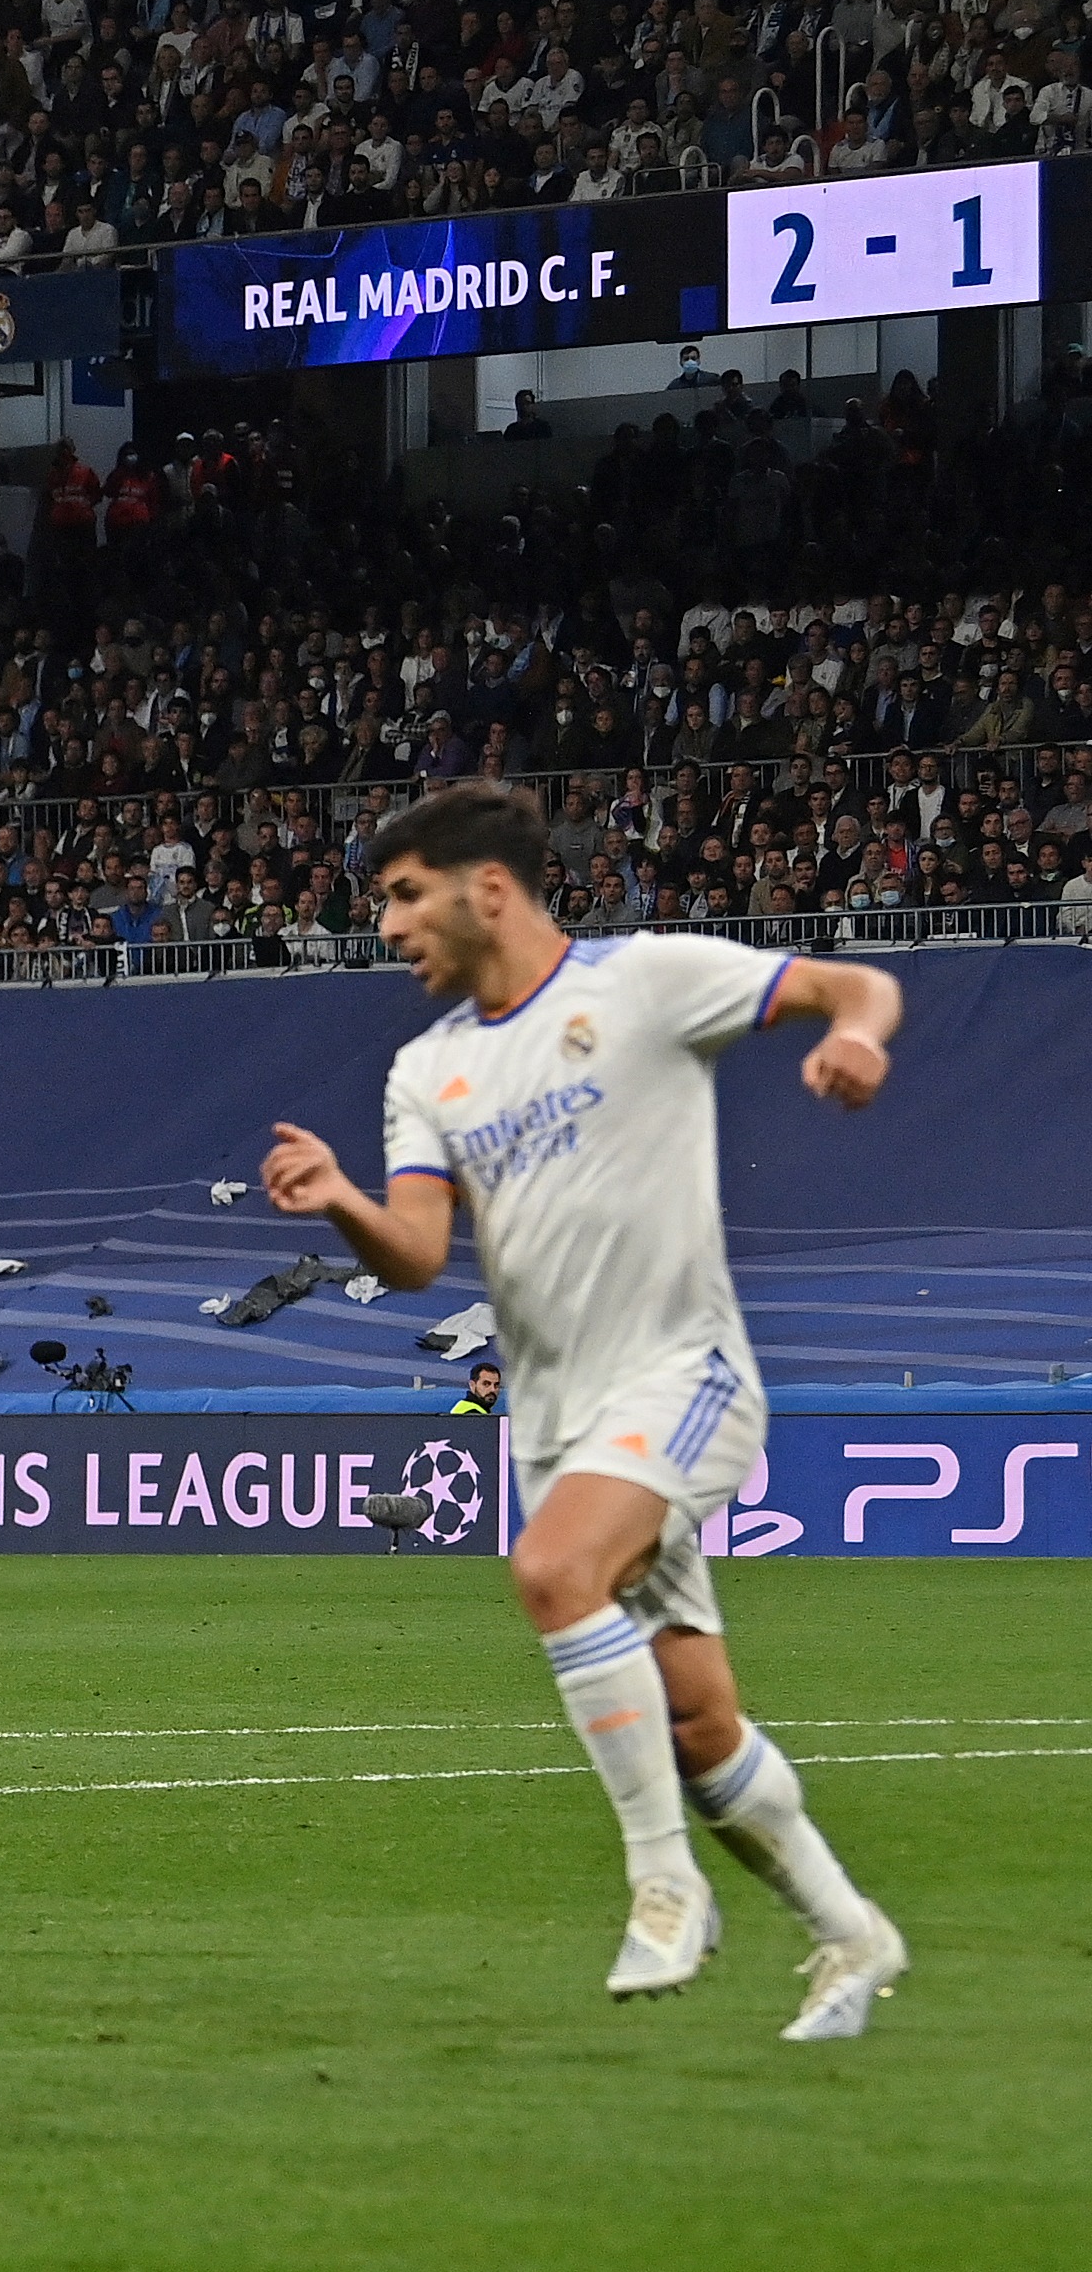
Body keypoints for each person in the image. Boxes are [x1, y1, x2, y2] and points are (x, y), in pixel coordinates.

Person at [261, 783, 909, 2042]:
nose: (387, 926)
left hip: (683, 1375)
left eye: (401, 895)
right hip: (553, 1423)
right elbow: (412, 1256)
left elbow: (849, 988)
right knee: (699, 1721)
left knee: (552, 1572)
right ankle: (849, 1930)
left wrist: (863, 1040)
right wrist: (342, 1196)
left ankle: (663, 1886)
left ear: (483, 888)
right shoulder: (429, 1068)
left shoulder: (646, 981)